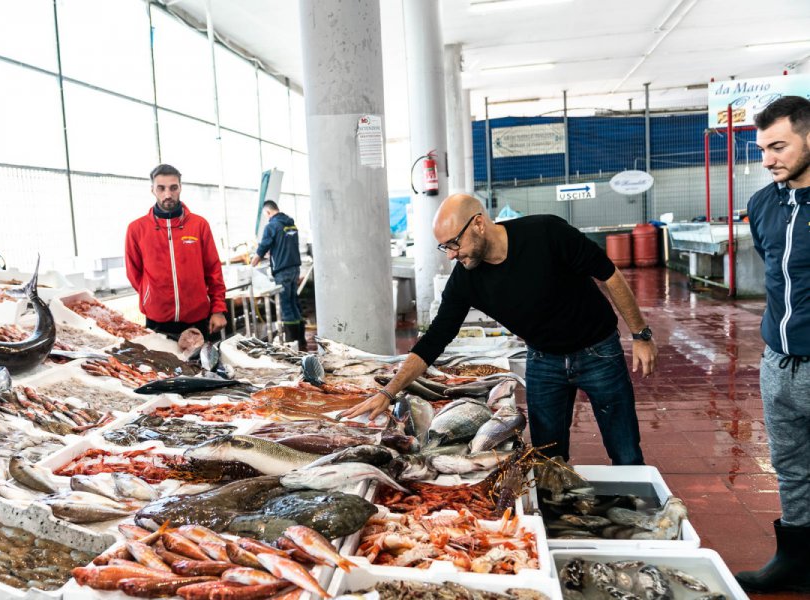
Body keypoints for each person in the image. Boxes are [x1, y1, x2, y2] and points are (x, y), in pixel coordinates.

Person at [342, 194, 658, 465]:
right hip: (543, 360)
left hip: (598, 351)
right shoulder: (465, 279)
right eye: (444, 247)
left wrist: (641, 334)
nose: (451, 254)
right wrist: (389, 391)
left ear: (479, 223)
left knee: (625, 450)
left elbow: (609, 274)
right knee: (548, 457)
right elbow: (435, 339)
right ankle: (556, 523)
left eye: (454, 243)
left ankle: (644, 519)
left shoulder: (546, 233)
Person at [734, 96, 810, 593]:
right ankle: (796, 561)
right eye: (762, 148)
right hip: (778, 363)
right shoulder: (762, 204)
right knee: (790, 467)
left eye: (778, 146)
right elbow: (774, 273)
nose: (767, 159)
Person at [125, 164, 227, 341]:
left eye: (173, 188)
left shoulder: (199, 225)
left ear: (180, 188)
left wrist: (218, 309)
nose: (168, 194)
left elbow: (213, 270)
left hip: (198, 320)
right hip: (158, 322)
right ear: (152, 190)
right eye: (161, 188)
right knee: (161, 369)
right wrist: (151, 295)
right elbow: (134, 273)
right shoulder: (137, 229)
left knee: (204, 368)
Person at [250, 200, 305, 350]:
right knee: (294, 304)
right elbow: (284, 244)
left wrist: (252, 264)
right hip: (295, 268)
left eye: (266, 215)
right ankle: (302, 342)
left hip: (283, 270)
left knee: (286, 307)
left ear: (268, 212)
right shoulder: (290, 224)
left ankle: (294, 345)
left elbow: (262, 247)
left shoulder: (272, 226)